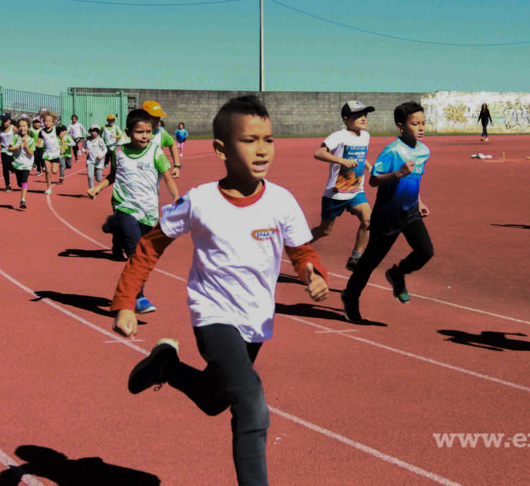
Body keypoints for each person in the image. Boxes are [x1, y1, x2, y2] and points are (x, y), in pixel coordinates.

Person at [111, 95, 328, 486]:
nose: (263, 149)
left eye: (269, 139)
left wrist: (312, 272)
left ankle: (167, 367)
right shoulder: (200, 202)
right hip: (212, 315)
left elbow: (302, 251)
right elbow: (149, 246)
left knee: (214, 400)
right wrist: (126, 302)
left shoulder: (282, 201)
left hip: (256, 318)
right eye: (250, 140)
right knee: (252, 405)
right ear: (221, 149)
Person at [341, 101, 434, 323]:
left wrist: (419, 201)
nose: (421, 127)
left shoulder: (424, 151)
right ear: (401, 126)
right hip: (387, 216)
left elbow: (415, 178)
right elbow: (373, 180)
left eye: (423, 123)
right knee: (369, 263)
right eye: (415, 124)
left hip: (410, 211)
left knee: (425, 251)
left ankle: (397, 274)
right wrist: (398, 173)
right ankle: (350, 296)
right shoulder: (392, 151)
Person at [87, 108, 180, 314]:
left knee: (145, 255)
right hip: (125, 206)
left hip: (148, 211)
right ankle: (138, 297)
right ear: (128, 132)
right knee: (135, 252)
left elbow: (167, 178)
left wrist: (176, 199)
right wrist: (97, 187)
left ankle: (114, 225)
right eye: (140, 132)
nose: (145, 136)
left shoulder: (156, 153)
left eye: (148, 132)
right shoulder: (118, 152)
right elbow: (113, 176)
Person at [309, 101, 375, 271]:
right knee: (324, 231)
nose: (363, 118)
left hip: (356, 190)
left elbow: (362, 157)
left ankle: (355, 258)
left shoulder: (365, 136)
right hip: (336, 192)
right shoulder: (338, 136)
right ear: (346, 119)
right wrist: (342, 160)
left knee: (368, 221)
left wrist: (371, 169)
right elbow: (319, 153)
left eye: (365, 115)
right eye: (358, 115)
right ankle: (297, 245)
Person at [142, 100, 182, 178]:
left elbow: (172, 144)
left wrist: (177, 166)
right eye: (153, 117)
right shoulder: (133, 133)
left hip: (153, 182)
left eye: (158, 118)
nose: (156, 121)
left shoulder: (160, 133)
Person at [9, 118, 36, 210]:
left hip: (27, 163)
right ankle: (22, 189)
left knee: (24, 180)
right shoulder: (16, 137)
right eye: (20, 126)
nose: (22, 128)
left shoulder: (31, 140)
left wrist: (26, 146)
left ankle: (22, 200)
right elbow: (10, 148)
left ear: (28, 127)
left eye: (24, 126)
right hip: (17, 162)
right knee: (19, 183)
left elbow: (31, 153)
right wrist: (18, 146)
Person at [39, 112, 62, 194]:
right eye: (46, 121)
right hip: (46, 153)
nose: (47, 122)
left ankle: (59, 166)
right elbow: (37, 143)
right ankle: (49, 188)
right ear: (43, 122)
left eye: (49, 121)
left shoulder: (56, 129)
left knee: (54, 171)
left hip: (55, 153)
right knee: (48, 171)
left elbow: (62, 138)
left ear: (52, 122)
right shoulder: (42, 132)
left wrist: (62, 147)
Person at [82, 124, 108, 196]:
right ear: (90, 131)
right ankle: (92, 191)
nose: (94, 133)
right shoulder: (86, 139)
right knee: (90, 176)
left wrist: (101, 155)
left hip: (99, 161)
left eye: (96, 131)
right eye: (93, 131)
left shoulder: (100, 140)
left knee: (99, 179)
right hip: (90, 161)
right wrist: (85, 151)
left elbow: (105, 149)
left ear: (98, 132)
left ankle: (96, 188)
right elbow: (83, 148)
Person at [0, 113, 15, 192]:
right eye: (2, 121)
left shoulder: (13, 128)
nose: (4, 123)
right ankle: (7, 184)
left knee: (12, 167)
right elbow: (0, 139)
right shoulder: (0, 128)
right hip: (4, 150)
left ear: (9, 120)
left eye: (5, 121)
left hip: (13, 149)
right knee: (5, 167)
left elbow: (20, 135)